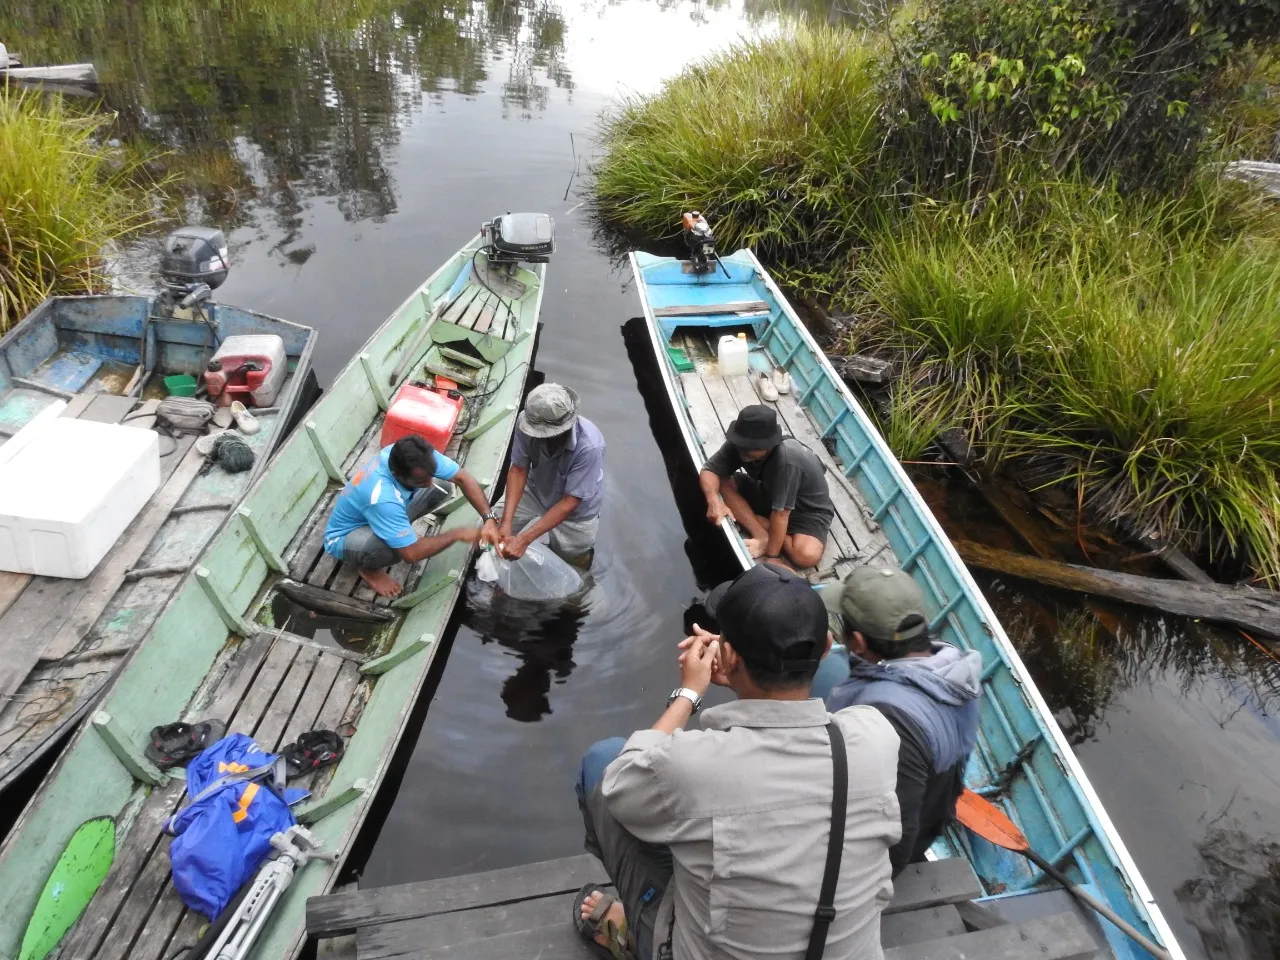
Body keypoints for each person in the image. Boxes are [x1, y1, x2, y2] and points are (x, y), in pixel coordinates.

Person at [572, 562, 901, 960]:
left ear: (727, 655)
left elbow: (620, 783)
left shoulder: (691, 766)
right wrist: (743, 669)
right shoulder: (875, 735)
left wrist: (690, 693)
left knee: (604, 761)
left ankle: (634, 933)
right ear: (828, 647)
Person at [819, 566, 982, 874]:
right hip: (935, 806)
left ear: (857, 642)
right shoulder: (952, 666)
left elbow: (896, 839)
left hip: (889, 850)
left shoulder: (888, 720)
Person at [322, 434, 500, 597]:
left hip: (381, 514)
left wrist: (489, 518)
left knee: (442, 487)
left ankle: (398, 532)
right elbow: (411, 554)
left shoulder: (412, 454)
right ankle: (370, 570)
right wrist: (457, 534)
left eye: (430, 475)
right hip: (345, 536)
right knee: (391, 550)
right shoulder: (382, 498)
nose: (429, 482)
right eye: (421, 481)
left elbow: (462, 478)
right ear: (396, 474)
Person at [699, 404, 833, 568]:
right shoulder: (739, 445)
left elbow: (781, 514)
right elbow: (709, 470)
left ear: (769, 445)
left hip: (804, 510)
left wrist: (772, 557)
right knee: (721, 481)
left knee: (806, 557)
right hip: (769, 492)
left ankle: (768, 526)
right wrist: (714, 501)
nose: (744, 452)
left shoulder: (787, 460)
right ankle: (762, 533)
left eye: (752, 449)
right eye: (742, 444)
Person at [499, 382, 605, 563]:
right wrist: (506, 523)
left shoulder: (590, 446)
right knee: (495, 528)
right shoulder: (526, 421)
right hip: (535, 489)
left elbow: (570, 501)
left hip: (576, 510)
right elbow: (518, 469)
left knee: (574, 557)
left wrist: (524, 540)